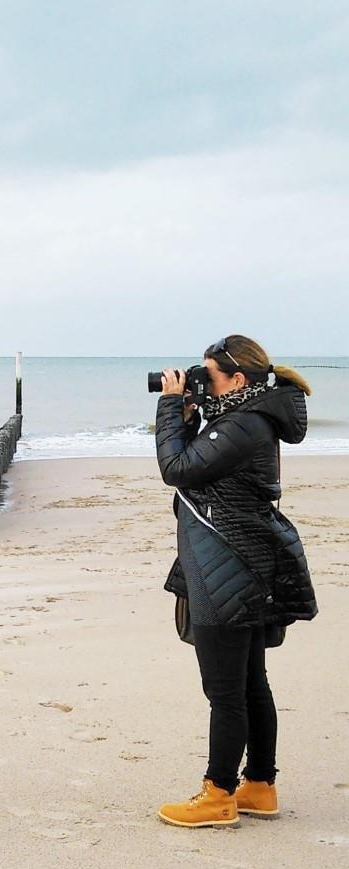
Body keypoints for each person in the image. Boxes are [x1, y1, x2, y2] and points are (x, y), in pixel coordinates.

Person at [154, 335, 317, 828]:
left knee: (226, 691)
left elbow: (176, 469)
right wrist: (189, 414)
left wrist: (168, 408)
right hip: (241, 564)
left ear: (238, 380)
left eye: (208, 375)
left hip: (228, 569)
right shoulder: (245, 417)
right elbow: (201, 471)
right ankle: (260, 786)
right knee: (250, 685)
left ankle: (219, 793)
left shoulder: (243, 423)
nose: (199, 382)